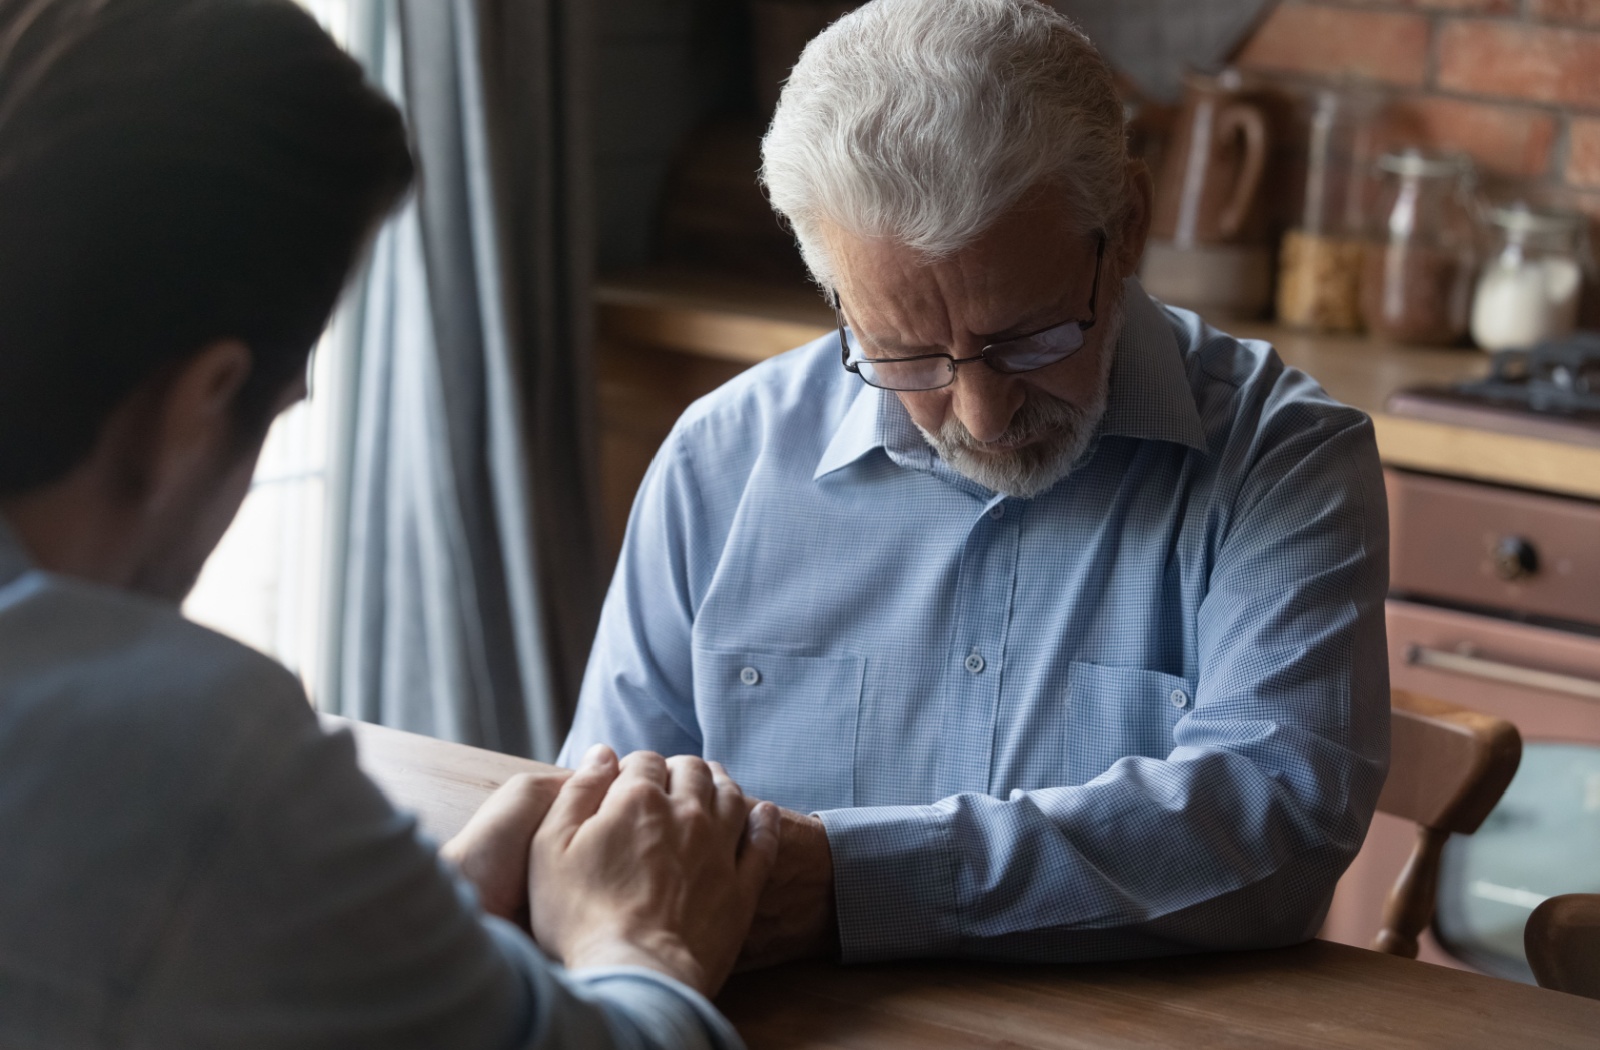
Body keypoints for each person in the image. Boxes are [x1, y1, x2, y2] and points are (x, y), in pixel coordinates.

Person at [0, 1, 776, 1047]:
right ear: (201, 400)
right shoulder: (184, 746)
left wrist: (401, 914)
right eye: (273, 413)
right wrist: (644, 949)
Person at [562, 0, 1390, 968]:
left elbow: (1277, 821)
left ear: (1124, 226)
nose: (982, 416)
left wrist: (853, 881)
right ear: (835, 294)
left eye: (1027, 337)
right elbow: (611, 837)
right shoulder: (720, 463)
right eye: (905, 355)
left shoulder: (1282, 458)